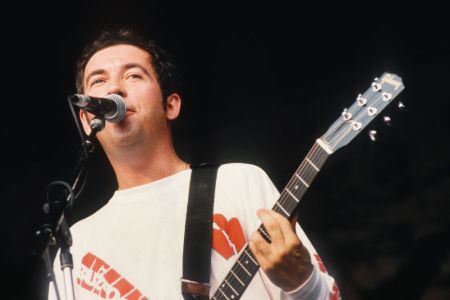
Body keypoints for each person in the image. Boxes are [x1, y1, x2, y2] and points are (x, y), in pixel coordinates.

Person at [48, 29, 339, 300]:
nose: (114, 88)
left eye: (133, 76)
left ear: (170, 105)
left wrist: (302, 281)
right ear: (87, 121)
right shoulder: (77, 247)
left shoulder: (239, 182)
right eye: (98, 81)